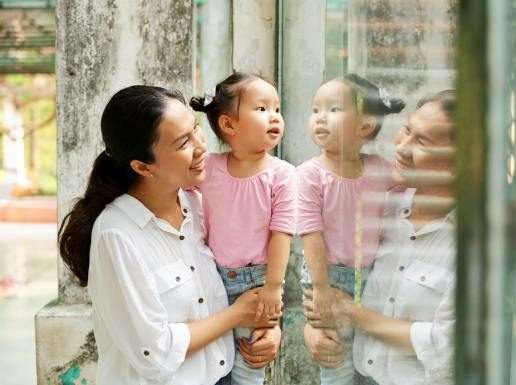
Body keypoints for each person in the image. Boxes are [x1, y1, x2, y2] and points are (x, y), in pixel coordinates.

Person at [58, 85, 281, 385]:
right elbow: (154, 352)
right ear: (142, 166)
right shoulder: (116, 235)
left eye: (196, 129)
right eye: (183, 143)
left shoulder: (199, 205)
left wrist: (265, 329)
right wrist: (237, 315)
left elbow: (241, 277)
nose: (201, 147)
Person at [304, 90, 456, 385]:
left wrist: (351, 313)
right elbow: (337, 280)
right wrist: (317, 329)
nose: (402, 147)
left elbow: (446, 346)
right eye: (408, 130)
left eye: (422, 142)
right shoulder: (382, 207)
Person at [296, 74, 405, 385]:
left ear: (365, 126)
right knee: (336, 360)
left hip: (373, 275)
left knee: (371, 357)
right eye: (315, 109)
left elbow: (402, 206)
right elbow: (310, 234)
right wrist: (320, 290)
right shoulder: (309, 175)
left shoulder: (381, 170)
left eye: (333, 109)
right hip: (328, 278)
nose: (319, 118)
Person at [189, 72, 295, 385]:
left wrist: (274, 289)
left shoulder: (283, 176)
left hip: (257, 283)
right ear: (229, 125)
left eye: (277, 109)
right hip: (210, 279)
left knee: (250, 365)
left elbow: (282, 233)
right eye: (262, 109)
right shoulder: (208, 168)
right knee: (213, 363)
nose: (274, 116)